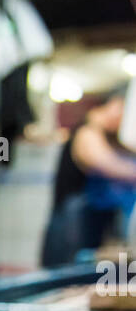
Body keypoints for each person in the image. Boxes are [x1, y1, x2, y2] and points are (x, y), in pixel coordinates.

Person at [41, 87, 136, 267]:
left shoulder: (110, 138)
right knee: (67, 279)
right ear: (115, 105)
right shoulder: (87, 132)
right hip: (72, 223)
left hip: (88, 222)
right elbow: (108, 165)